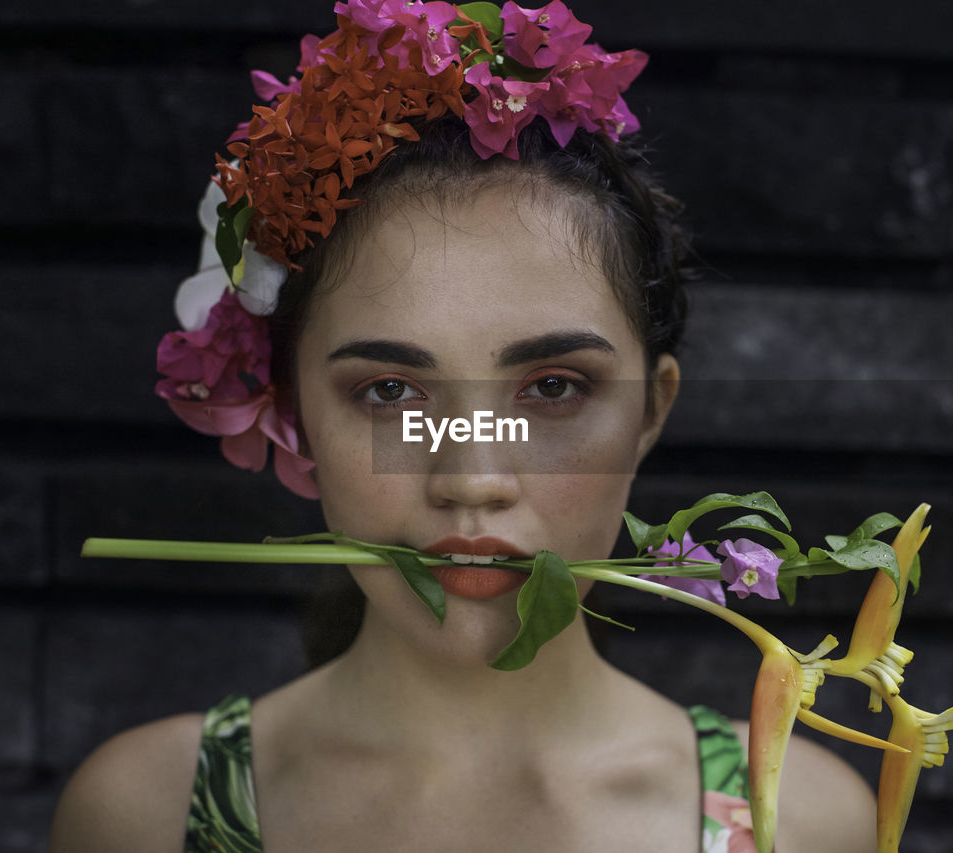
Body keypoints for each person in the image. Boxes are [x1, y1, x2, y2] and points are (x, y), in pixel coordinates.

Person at [48, 3, 876, 850]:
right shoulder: (143, 812)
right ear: (296, 415)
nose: (475, 476)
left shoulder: (797, 820)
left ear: (650, 409)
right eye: (391, 393)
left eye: (552, 386)